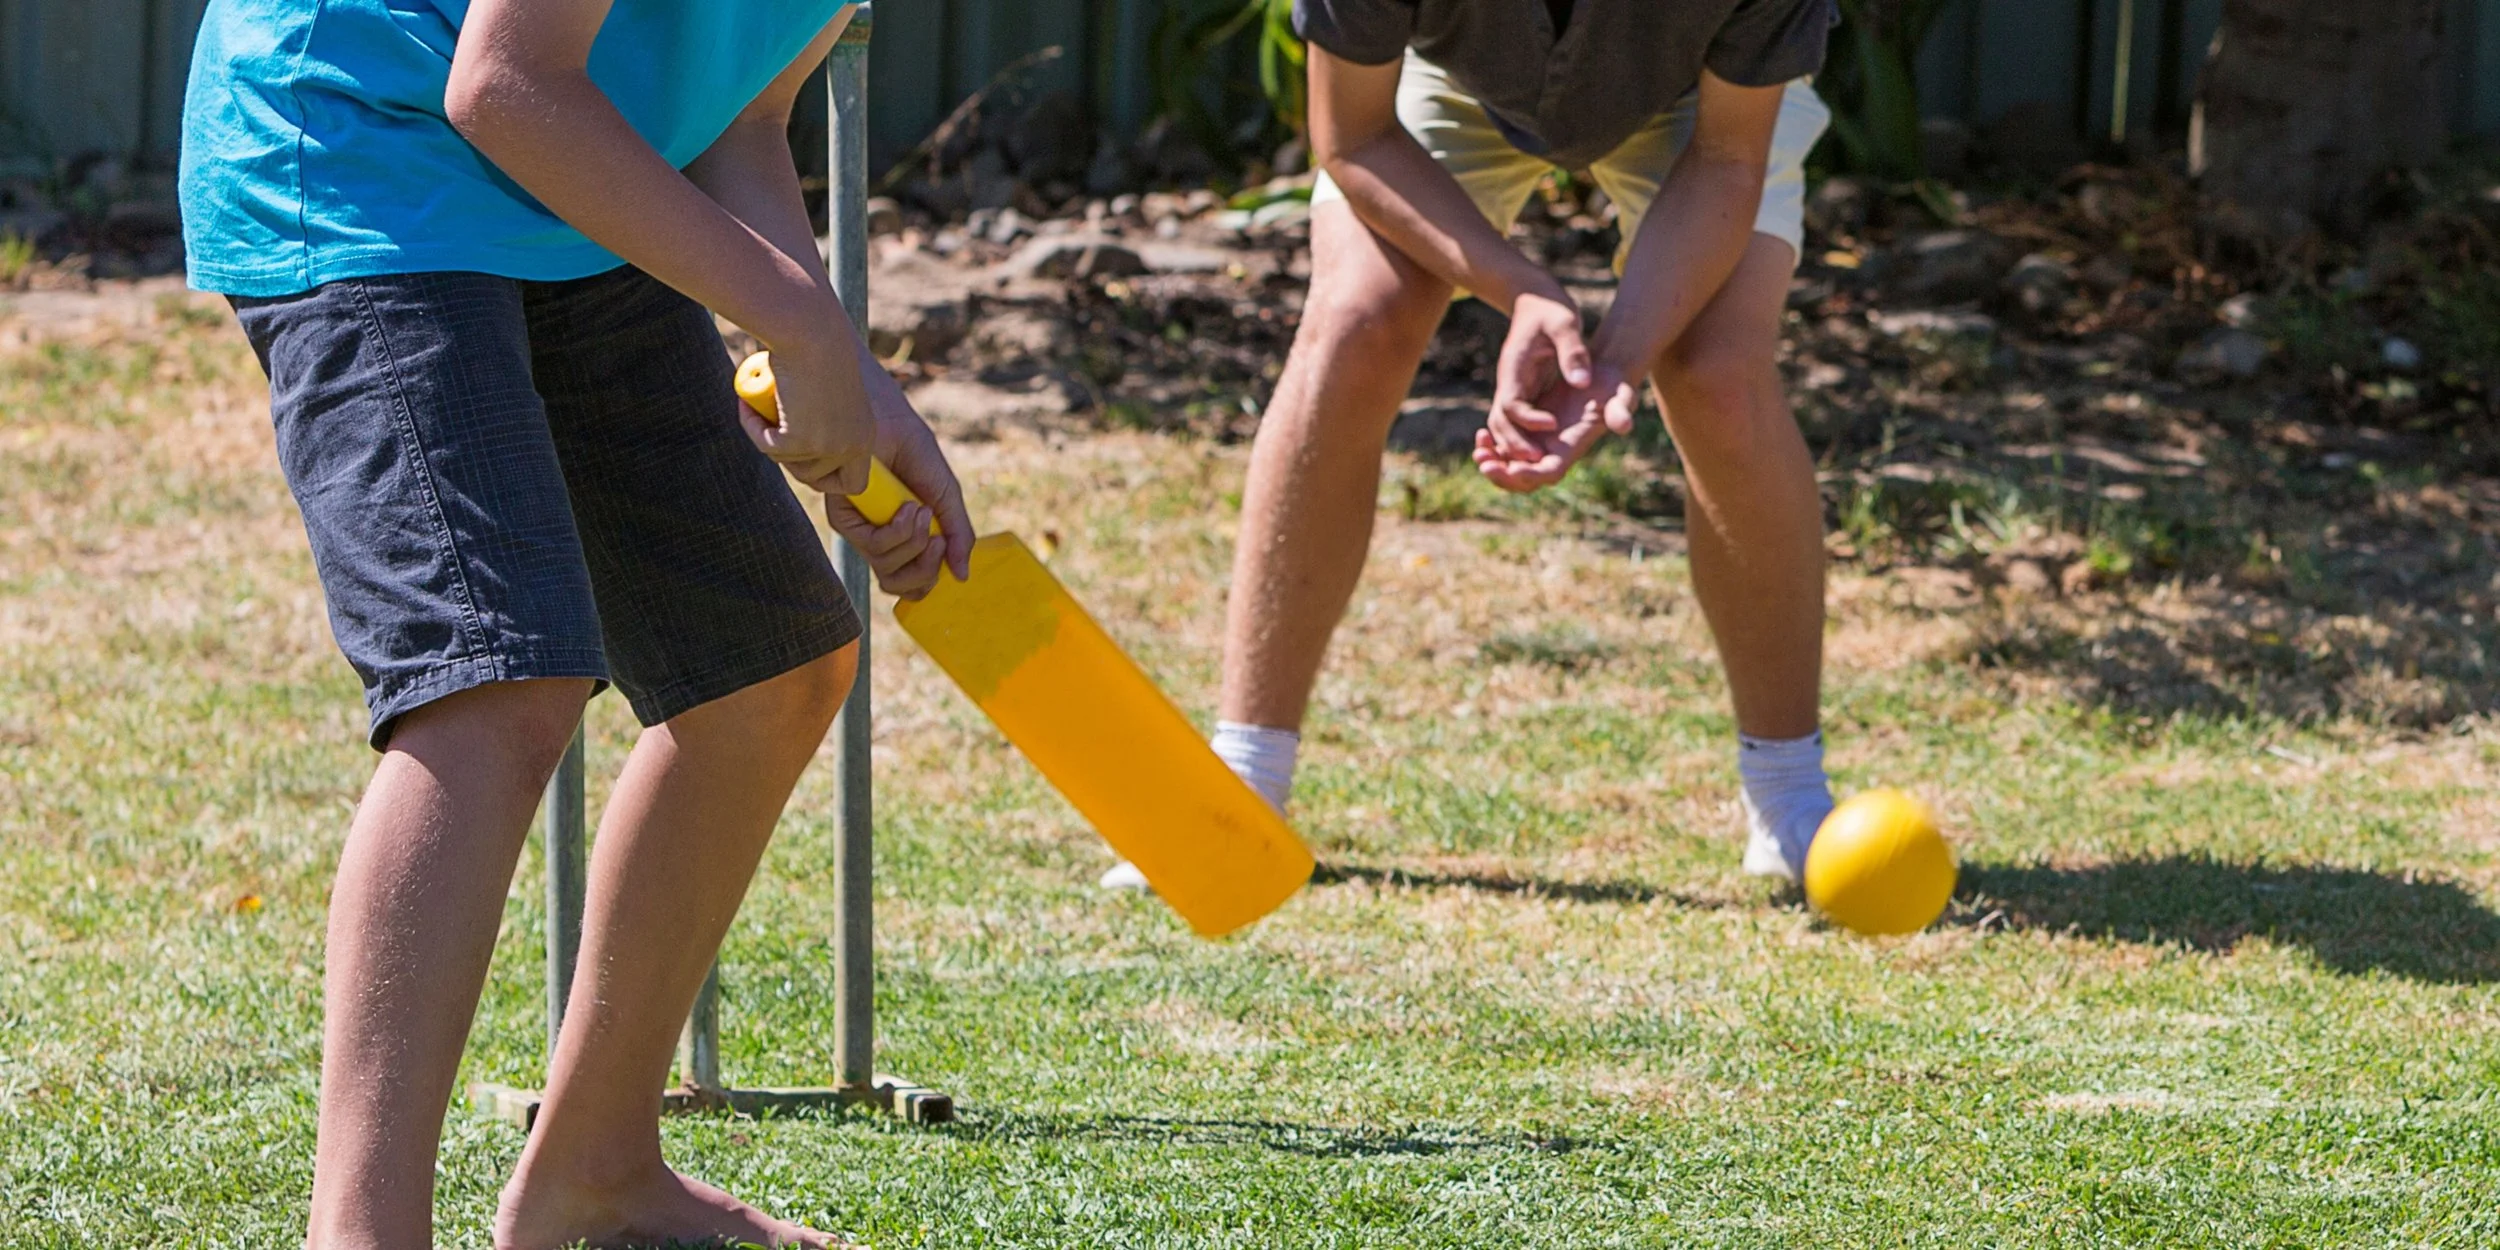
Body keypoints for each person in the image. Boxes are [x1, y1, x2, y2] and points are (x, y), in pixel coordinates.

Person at [180, 1, 969, 1246]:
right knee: (496, 681)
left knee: (769, 668)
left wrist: (844, 374)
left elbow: (736, 114)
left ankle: (593, 1169)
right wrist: (805, 327)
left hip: (565, 176)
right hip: (364, 150)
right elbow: (500, 84)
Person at [1103, 0, 1842, 893]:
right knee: (1356, 324)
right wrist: (1521, 288)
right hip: (1450, 91)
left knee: (1717, 374)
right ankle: (1244, 779)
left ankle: (1788, 793)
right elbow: (1354, 134)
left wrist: (1613, 363)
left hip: (1704, 107)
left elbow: (1727, 159)